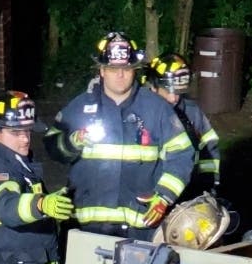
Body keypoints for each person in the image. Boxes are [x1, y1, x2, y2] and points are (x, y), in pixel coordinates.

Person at [45, 31, 193, 241]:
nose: (120, 74)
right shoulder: (80, 106)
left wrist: (164, 196)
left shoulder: (156, 108)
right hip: (87, 229)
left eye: (126, 68)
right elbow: (52, 145)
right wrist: (71, 142)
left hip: (140, 230)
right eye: (114, 68)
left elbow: (182, 154)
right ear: (102, 70)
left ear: (135, 70)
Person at [0, 91, 73, 264]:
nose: (25, 138)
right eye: (16, 133)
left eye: (27, 131)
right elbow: (7, 206)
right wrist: (41, 205)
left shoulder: (17, 161)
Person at [145, 52, 221, 197]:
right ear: (154, 86)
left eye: (178, 91)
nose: (173, 98)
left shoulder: (192, 112)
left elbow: (209, 147)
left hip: (188, 190)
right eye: (168, 91)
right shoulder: (140, 112)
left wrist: (208, 183)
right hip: (150, 193)